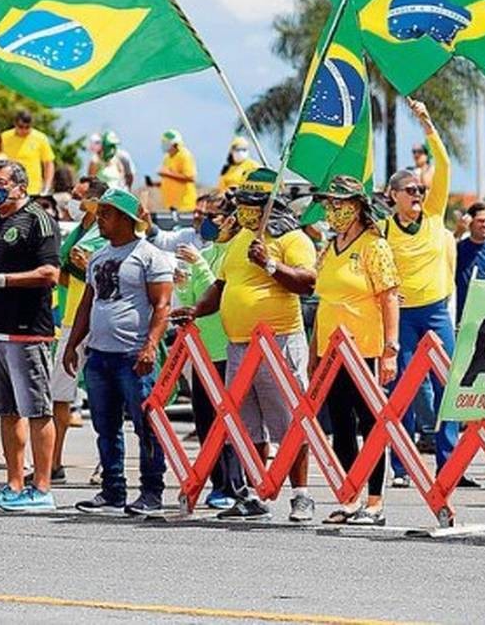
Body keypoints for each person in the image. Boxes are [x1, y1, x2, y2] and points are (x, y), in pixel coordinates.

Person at [177, 167, 316, 521]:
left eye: (253, 205)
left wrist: (269, 264)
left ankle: (301, 495)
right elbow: (221, 286)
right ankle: (257, 490)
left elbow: (307, 283)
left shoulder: (292, 238)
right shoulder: (238, 240)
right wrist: (197, 309)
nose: (245, 211)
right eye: (243, 204)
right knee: (247, 423)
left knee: (288, 419)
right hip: (239, 345)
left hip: (278, 341)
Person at [64, 189, 173, 516]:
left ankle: (152, 491)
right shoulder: (97, 257)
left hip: (133, 355)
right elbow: (88, 302)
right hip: (100, 354)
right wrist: (73, 344)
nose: (100, 219)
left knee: (146, 425)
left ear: (128, 220)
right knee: (105, 426)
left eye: (106, 214)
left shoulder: (150, 256)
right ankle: (112, 490)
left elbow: (162, 305)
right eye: (100, 214)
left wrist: (150, 346)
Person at [0, 160, 60, 511]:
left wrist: (1, 281)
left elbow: (50, 272)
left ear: (21, 186)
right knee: (7, 410)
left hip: (25, 328)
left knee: (36, 409)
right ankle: (14, 483)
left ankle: (42, 488)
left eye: (2, 182)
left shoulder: (37, 219)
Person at [311, 176, 400, 526]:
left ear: (358, 207)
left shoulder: (374, 246)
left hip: (364, 348)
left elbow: (389, 296)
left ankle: (375, 501)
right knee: (342, 426)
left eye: (340, 203)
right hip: (333, 352)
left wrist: (390, 348)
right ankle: (349, 496)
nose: (333, 210)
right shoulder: (329, 248)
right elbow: (322, 300)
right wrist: (317, 354)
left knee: (370, 423)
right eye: (329, 204)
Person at [382, 99, 462, 487]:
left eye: (419, 188)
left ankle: (448, 464)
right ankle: (400, 467)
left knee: (450, 387)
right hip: (403, 318)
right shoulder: (383, 231)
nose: (418, 193)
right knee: (402, 390)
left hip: (435, 313)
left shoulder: (433, 217)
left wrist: (427, 123)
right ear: (393, 195)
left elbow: (443, 166)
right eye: (410, 189)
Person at [172, 194, 247, 510]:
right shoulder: (204, 252)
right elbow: (195, 298)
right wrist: (181, 283)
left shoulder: (233, 253)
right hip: (201, 349)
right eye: (201, 215)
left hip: (225, 346)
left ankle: (234, 483)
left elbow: (219, 293)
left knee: (227, 420)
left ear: (230, 219)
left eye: (213, 215)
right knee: (203, 419)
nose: (205, 221)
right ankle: (217, 481)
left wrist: (200, 267)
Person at [46, 177, 108, 485]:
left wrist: (81, 265)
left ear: (94, 202)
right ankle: (53, 461)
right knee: (59, 393)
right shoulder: (77, 231)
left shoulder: (105, 233)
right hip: (71, 318)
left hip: (97, 320)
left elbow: (98, 272)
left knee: (101, 395)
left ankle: (106, 463)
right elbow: (66, 272)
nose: (72, 200)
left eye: (78, 196)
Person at [1, 110, 55, 196]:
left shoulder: (40, 138)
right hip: (8, 189)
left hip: (33, 190)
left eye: (27, 127)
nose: (24, 130)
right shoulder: (4, 137)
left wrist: (46, 187)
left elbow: (48, 163)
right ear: (15, 124)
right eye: (21, 127)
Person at [156, 129, 197, 212]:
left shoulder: (184, 155)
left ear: (175, 144)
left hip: (185, 205)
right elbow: (171, 178)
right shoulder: (167, 158)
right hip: (171, 205)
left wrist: (167, 173)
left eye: (166, 143)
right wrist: (155, 183)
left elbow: (190, 177)